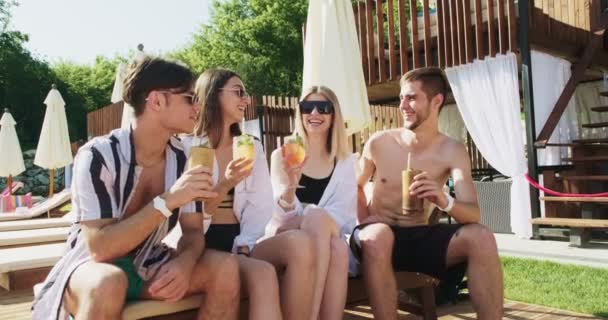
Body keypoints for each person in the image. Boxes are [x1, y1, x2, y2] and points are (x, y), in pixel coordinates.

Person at [32, 57, 241, 320]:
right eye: (189, 98)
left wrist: (185, 264)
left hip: (149, 261)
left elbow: (193, 232)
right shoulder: (98, 156)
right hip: (91, 265)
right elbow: (99, 247)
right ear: (156, 101)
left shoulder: (185, 157)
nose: (198, 107)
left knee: (226, 268)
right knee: (109, 283)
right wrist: (167, 200)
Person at [355, 67, 503, 319]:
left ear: (436, 101)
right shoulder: (379, 142)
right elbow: (355, 185)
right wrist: (364, 219)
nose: (403, 105)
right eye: (401, 98)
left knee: (482, 237)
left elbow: (472, 214)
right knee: (379, 235)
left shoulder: (452, 151)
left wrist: (445, 200)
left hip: (420, 236)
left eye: (411, 97)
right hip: (377, 235)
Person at [181, 68, 315, 320]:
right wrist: (225, 183)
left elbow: (260, 205)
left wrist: (244, 244)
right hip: (200, 243)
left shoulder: (249, 145)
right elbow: (187, 217)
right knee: (263, 274)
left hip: (242, 239)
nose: (246, 99)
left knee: (300, 242)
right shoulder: (186, 148)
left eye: (245, 93)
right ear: (212, 94)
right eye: (238, 92)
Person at [267, 86, 357, 320]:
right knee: (320, 222)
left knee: (337, 247)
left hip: (329, 238)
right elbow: (278, 215)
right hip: (283, 236)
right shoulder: (282, 155)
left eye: (323, 108)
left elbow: (344, 215)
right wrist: (290, 187)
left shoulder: (345, 162)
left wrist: (307, 215)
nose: (314, 113)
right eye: (307, 107)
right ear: (300, 113)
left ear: (333, 115)